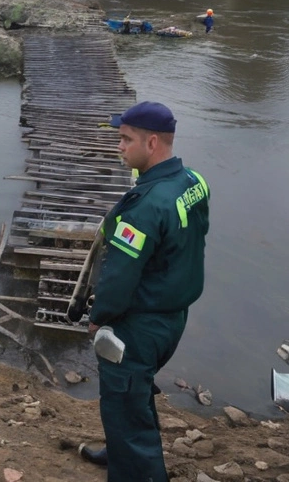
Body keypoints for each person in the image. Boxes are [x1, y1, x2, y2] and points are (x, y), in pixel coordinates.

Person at [81, 101, 210, 481]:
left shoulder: (142, 208)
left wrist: (98, 319)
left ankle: (136, 469)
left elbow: (119, 278)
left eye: (125, 139)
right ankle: (120, 453)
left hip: (138, 324)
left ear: (152, 143)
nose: (119, 147)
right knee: (134, 396)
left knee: (125, 402)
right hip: (173, 315)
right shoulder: (193, 182)